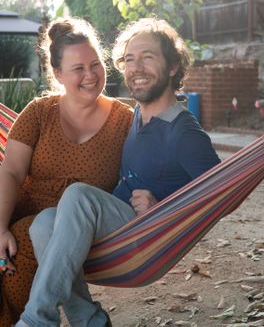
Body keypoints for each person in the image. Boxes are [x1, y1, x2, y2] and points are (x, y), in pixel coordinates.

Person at [16, 18, 220, 327]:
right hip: (114, 232)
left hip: (147, 234)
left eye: (147, 57)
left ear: (174, 66)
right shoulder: (136, 115)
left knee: (79, 195)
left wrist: (162, 209)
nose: (136, 67)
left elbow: (219, 193)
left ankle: (36, 319)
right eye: (129, 59)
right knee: (43, 224)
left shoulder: (184, 132)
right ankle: (90, 321)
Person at [0, 18, 133, 327]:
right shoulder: (38, 112)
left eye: (95, 64)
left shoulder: (124, 121)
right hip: (31, 215)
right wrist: (0, 227)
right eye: (78, 69)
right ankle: (89, 320)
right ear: (58, 74)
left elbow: (144, 172)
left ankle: (35, 320)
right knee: (23, 237)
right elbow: (11, 172)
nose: (90, 75)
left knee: (23, 252)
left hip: (93, 228)